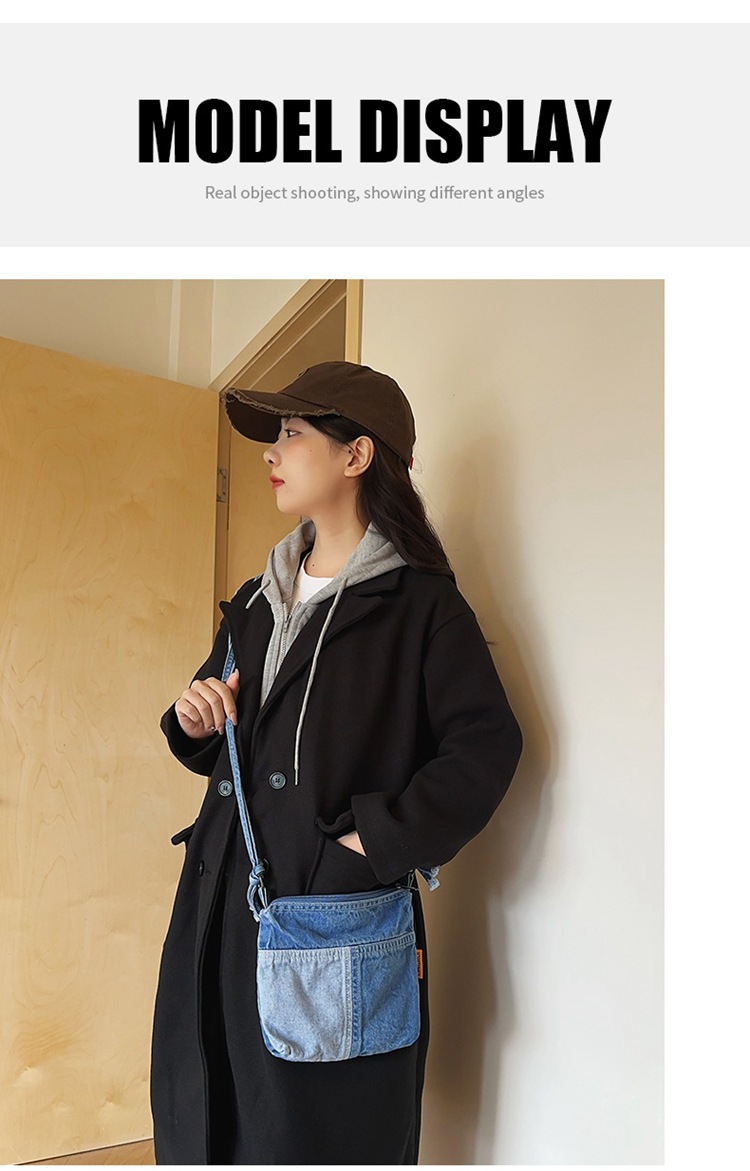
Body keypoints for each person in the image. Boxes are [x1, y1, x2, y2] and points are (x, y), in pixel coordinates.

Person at [150, 360, 523, 1165]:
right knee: (213, 1116)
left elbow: (487, 743)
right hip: (224, 904)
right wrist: (195, 716)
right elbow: (229, 726)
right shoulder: (256, 600)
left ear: (357, 455)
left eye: (291, 432)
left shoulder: (419, 604)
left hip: (333, 916)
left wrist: (371, 843)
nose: (270, 451)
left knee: (320, 1132)